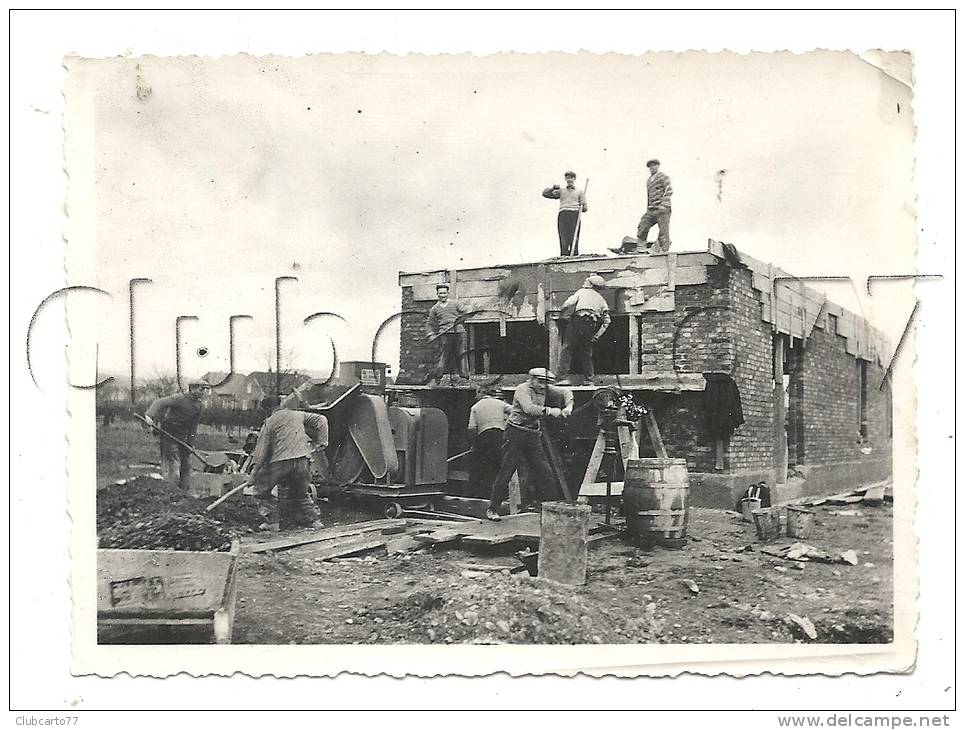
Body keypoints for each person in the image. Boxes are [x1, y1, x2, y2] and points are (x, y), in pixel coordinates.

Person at [486, 368, 573, 521]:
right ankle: (493, 509)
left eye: (545, 383)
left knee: (544, 471)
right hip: (516, 433)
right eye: (540, 382)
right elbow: (529, 409)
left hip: (532, 434)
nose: (542, 386)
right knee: (507, 470)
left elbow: (566, 392)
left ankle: (552, 509)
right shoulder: (522, 389)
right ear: (531, 379)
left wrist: (568, 407)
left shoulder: (545, 387)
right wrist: (551, 411)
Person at [247, 401, 329, 531]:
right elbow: (322, 419)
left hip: (282, 461)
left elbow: (261, 452)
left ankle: (273, 522)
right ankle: (314, 521)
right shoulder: (297, 414)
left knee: (261, 490)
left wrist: (253, 475)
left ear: (268, 408)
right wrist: (322, 442)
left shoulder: (269, 422)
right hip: (303, 459)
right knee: (300, 492)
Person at [143, 383, 206, 490]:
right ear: (192, 389)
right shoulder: (180, 398)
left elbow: (193, 427)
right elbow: (159, 402)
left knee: (186, 465)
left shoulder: (199, 406)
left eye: (205, 390)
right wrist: (149, 415)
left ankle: (184, 491)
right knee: (174, 464)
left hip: (183, 436)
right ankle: (170, 490)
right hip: (169, 434)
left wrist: (190, 444)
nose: (203, 392)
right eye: (201, 389)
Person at [610, 158, 673, 254]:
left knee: (663, 231)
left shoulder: (663, 176)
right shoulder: (649, 180)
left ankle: (663, 251)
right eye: (650, 166)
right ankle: (641, 248)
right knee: (643, 225)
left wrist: (664, 204)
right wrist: (648, 208)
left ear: (658, 166)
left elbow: (669, 190)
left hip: (662, 209)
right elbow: (649, 196)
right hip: (652, 209)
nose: (652, 167)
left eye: (654, 165)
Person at [557, 275, 611, 382]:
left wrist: (561, 312)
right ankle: (589, 379)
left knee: (567, 348)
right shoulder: (601, 300)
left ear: (591, 284)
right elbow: (607, 321)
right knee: (586, 352)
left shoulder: (582, 292)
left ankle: (561, 378)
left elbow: (568, 303)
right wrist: (597, 336)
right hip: (591, 325)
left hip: (578, 321)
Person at [467, 386, 511, 499]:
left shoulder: (475, 407)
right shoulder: (500, 404)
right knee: (499, 466)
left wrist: (474, 444)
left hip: (484, 437)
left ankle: (478, 495)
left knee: (481, 467)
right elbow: (515, 411)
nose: (476, 396)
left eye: (477, 393)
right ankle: (502, 496)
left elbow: (471, 428)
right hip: (499, 437)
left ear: (481, 393)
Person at [424, 283, 473, 384]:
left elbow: (465, 311)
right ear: (437, 294)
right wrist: (431, 334)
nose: (442, 295)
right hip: (445, 334)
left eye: (444, 293)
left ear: (448, 293)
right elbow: (429, 323)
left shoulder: (455, 303)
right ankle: (438, 377)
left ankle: (465, 377)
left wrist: (471, 308)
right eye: (440, 293)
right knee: (443, 355)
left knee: (461, 353)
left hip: (459, 332)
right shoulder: (435, 308)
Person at [543, 171, 588, 256]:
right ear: (565, 179)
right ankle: (564, 257)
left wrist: (582, 205)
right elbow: (545, 194)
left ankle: (574, 257)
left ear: (574, 179)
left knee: (574, 238)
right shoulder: (561, 191)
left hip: (574, 215)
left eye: (571, 178)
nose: (569, 180)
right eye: (567, 178)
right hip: (563, 215)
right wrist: (552, 188)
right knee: (563, 239)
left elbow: (585, 209)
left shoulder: (579, 192)